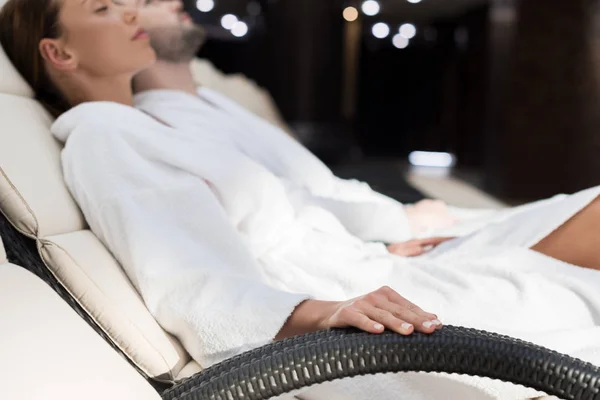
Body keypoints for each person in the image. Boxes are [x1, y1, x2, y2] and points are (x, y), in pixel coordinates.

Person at [3, 3, 600, 395]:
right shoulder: (103, 137)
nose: (131, 8)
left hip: (357, 266)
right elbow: (192, 284)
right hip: (328, 298)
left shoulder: (143, 127)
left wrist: (376, 240)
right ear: (60, 53)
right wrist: (323, 312)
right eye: (104, 8)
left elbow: (289, 205)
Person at [131, 0, 467, 252]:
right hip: (347, 246)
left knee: (511, 227)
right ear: (127, 28)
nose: (175, 2)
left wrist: (402, 215)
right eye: (149, 1)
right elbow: (276, 207)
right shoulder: (161, 118)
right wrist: (399, 225)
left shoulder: (211, 98)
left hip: (360, 223)